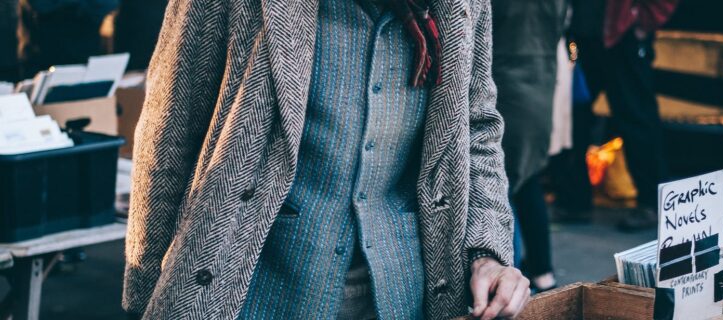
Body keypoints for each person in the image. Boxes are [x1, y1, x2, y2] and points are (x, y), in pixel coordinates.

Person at [123, 0, 528, 319]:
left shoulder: (464, 5)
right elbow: (170, 126)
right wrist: (144, 290)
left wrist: (487, 254)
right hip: (249, 290)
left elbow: (477, 129)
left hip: (406, 294)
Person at [555, 0, 677, 230]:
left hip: (623, 36)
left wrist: (644, 22)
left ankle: (653, 203)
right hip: (580, 37)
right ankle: (574, 201)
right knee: (572, 115)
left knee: (636, 118)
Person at [491, 0, 567, 293]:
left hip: (505, 82)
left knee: (502, 183)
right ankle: (542, 271)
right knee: (527, 179)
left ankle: (510, 275)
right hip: (541, 81)